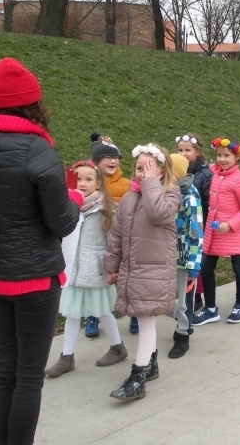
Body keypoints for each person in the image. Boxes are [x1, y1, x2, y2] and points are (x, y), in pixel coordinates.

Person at [0, 57, 81, 442]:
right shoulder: (36, 151)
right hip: (34, 278)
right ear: (32, 103)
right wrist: (74, 196)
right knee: (29, 377)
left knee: (5, 370)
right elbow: (62, 222)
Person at [103, 143, 179, 401]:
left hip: (155, 272)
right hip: (134, 270)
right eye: (138, 168)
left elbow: (158, 213)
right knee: (145, 319)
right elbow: (116, 235)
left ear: (161, 171)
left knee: (145, 320)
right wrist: (112, 265)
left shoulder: (171, 194)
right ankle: (151, 364)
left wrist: (150, 185)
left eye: (148, 169)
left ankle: (138, 378)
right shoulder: (128, 198)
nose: (142, 174)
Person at [45, 161, 127, 378]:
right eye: (79, 179)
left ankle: (117, 347)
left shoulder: (105, 211)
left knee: (103, 312)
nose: (82, 183)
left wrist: (112, 268)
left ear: (99, 183)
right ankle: (66, 357)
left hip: (96, 271)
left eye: (89, 179)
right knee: (72, 315)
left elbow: (114, 243)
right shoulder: (69, 207)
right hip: (72, 271)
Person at [192, 137, 240, 326]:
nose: (222, 159)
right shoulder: (212, 173)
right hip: (213, 230)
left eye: (227, 155)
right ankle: (211, 308)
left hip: (233, 231)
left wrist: (231, 224)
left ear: (237, 157)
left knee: (239, 268)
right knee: (206, 266)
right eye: (219, 155)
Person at [86, 133, 130, 338]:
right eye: (107, 157)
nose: (113, 161)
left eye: (116, 157)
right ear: (96, 162)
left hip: (120, 237)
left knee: (126, 277)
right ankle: (93, 315)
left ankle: (135, 314)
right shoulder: (88, 183)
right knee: (96, 277)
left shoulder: (127, 184)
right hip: (96, 238)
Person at [167, 153, 203, 359]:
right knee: (164, 297)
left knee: (183, 300)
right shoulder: (163, 193)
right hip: (164, 256)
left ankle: (183, 334)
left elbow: (196, 231)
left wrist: (193, 263)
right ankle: (181, 322)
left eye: (168, 172)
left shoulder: (189, 197)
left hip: (183, 259)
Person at [175, 132, 212, 312]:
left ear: (197, 151)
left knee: (195, 261)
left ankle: (196, 296)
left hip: (198, 223)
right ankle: (188, 296)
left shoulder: (205, 174)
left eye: (187, 150)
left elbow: (209, 201)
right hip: (181, 224)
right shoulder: (175, 172)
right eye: (180, 150)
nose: (183, 153)